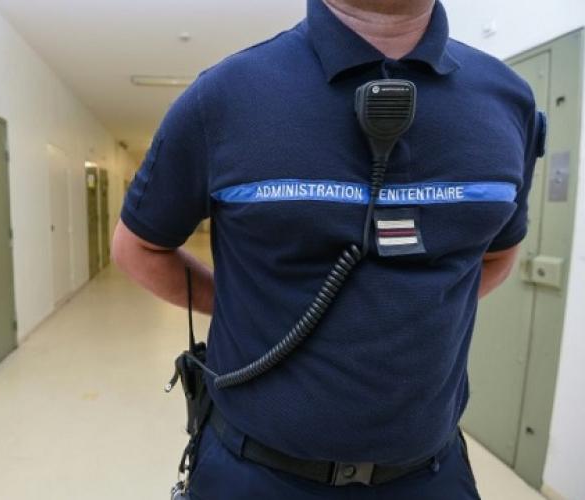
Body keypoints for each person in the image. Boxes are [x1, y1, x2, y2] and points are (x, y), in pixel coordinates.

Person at [112, 0, 546, 498]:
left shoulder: (508, 100)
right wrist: (244, 306)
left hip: (431, 473)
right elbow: (139, 248)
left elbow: (495, 255)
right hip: (255, 473)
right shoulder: (224, 96)